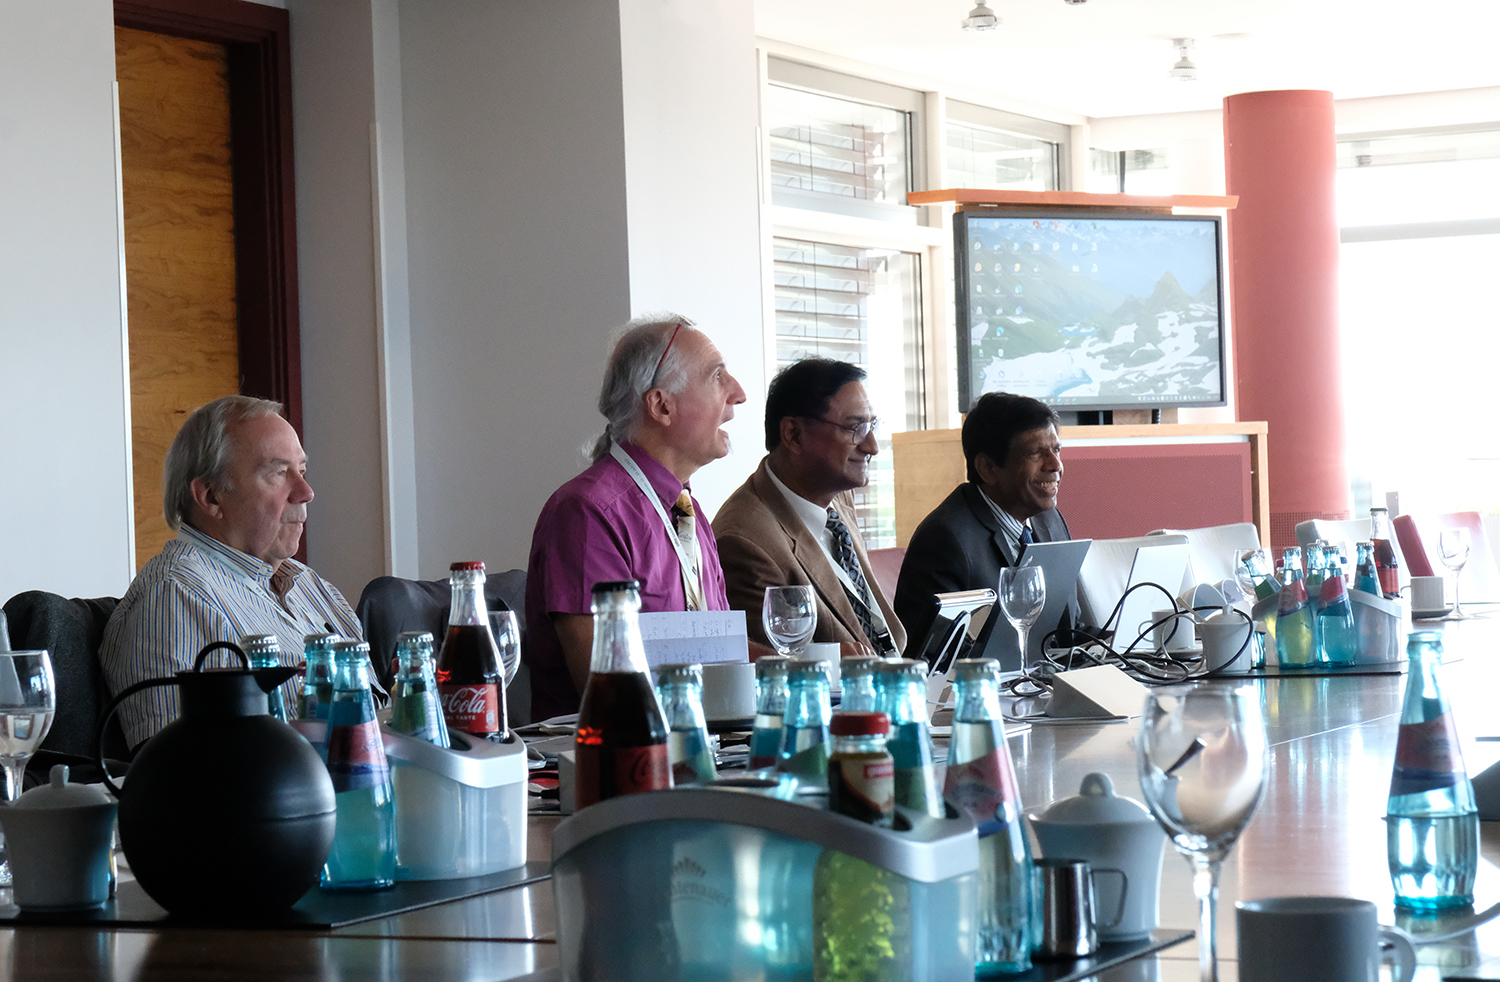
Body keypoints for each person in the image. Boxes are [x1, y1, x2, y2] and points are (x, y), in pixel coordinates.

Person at [100, 396, 364, 749]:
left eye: (301, 471)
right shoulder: (175, 595)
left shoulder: (311, 585)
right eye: (278, 473)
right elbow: (176, 766)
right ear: (211, 497)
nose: (306, 492)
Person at [524, 314, 747, 721]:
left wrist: (797, 666)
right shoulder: (588, 513)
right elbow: (608, 691)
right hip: (611, 753)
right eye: (717, 377)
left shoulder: (687, 510)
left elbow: (718, 655)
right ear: (661, 405)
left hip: (701, 737)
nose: (739, 393)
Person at [713, 358, 906, 658]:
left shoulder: (837, 496)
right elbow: (778, 668)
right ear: (793, 434)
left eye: (871, 426)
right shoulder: (744, 542)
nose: (872, 446)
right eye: (855, 428)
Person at [894, 391, 1072, 649]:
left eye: (1056, 450)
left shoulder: (1049, 520)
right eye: (1035, 453)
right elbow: (935, 655)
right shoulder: (944, 539)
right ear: (987, 468)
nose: (1055, 465)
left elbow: (1069, 633)